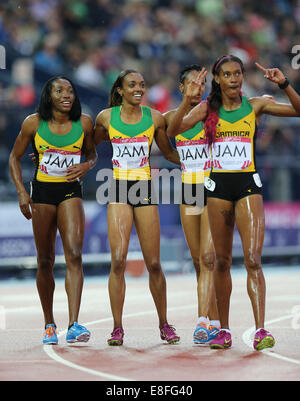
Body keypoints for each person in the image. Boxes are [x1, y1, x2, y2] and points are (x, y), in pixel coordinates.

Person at [166, 55, 300, 351]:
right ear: (218, 79)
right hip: (217, 187)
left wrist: (285, 84)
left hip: (247, 184)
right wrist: (188, 101)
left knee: (253, 259)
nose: (234, 79)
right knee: (221, 262)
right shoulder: (206, 109)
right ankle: (223, 330)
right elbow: (173, 131)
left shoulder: (255, 106)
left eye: (238, 73)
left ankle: (261, 330)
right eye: (227, 74)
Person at [94, 69, 181, 346]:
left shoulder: (154, 117)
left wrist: (195, 158)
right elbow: (87, 147)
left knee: (154, 263)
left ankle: (164, 324)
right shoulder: (106, 118)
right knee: (118, 261)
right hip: (118, 187)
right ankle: (117, 328)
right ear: (119, 89)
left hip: (144, 189)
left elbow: (168, 152)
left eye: (142, 85)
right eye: (132, 85)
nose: (138, 89)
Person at [9, 76, 98, 345]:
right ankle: (49, 324)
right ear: (49, 96)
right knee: (45, 260)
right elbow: (14, 157)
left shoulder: (84, 123)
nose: (66, 94)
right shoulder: (33, 123)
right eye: (59, 90)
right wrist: (22, 192)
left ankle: (73, 324)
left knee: (74, 255)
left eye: (70, 90)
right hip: (43, 194)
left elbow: (91, 154)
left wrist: (86, 166)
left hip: (70, 192)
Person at [165, 65, 220, 345]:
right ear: (182, 88)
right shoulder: (171, 119)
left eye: (202, 84)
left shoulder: (214, 112)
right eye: (192, 84)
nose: (198, 87)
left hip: (212, 189)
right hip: (188, 189)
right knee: (199, 260)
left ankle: (203, 321)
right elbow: (161, 143)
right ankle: (213, 320)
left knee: (210, 258)